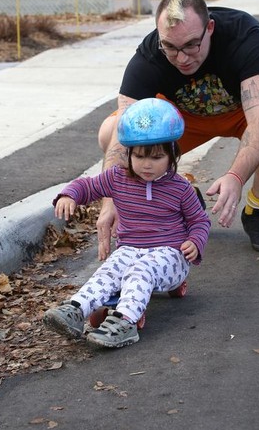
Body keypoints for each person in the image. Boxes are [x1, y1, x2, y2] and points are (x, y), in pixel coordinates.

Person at [97, 0, 259, 254]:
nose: (182, 58)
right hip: (183, 119)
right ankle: (178, 193)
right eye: (170, 47)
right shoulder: (149, 56)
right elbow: (122, 135)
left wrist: (236, 176)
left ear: (210, 28)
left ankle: (257, 210)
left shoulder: (243, 34)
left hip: (243, 110)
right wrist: (111, 200)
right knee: (110, 129)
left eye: (191, 45)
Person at [44, 98, 210, 349]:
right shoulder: (117, 178)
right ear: (129, 153)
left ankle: (125, 322)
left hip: (170, 254)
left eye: (156, 157)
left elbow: (199, 220)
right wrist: (69, 195)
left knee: (140, 270)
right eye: (139, 156)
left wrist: (194, 242)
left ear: (172, 155)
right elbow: (87, 185)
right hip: (130, 249)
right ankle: (75, 310)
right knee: (109, 270)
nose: (146, 164)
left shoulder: (180, 188)